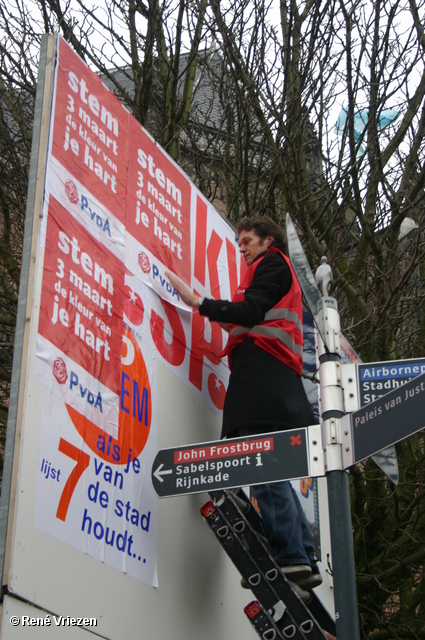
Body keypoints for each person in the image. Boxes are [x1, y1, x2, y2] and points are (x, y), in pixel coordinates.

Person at [167, 215, 321, 592]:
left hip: (263, 375)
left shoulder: (271, 264)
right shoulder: (272, 272)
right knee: (268, 462)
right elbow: (248, 319)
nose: (242, 248)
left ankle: (291, 556)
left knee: (254, 458)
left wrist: (198, 303)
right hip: (273, 376)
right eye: (239, 243)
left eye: (247, 240)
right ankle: (303, 555)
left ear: (269, 240)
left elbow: (250, 313)